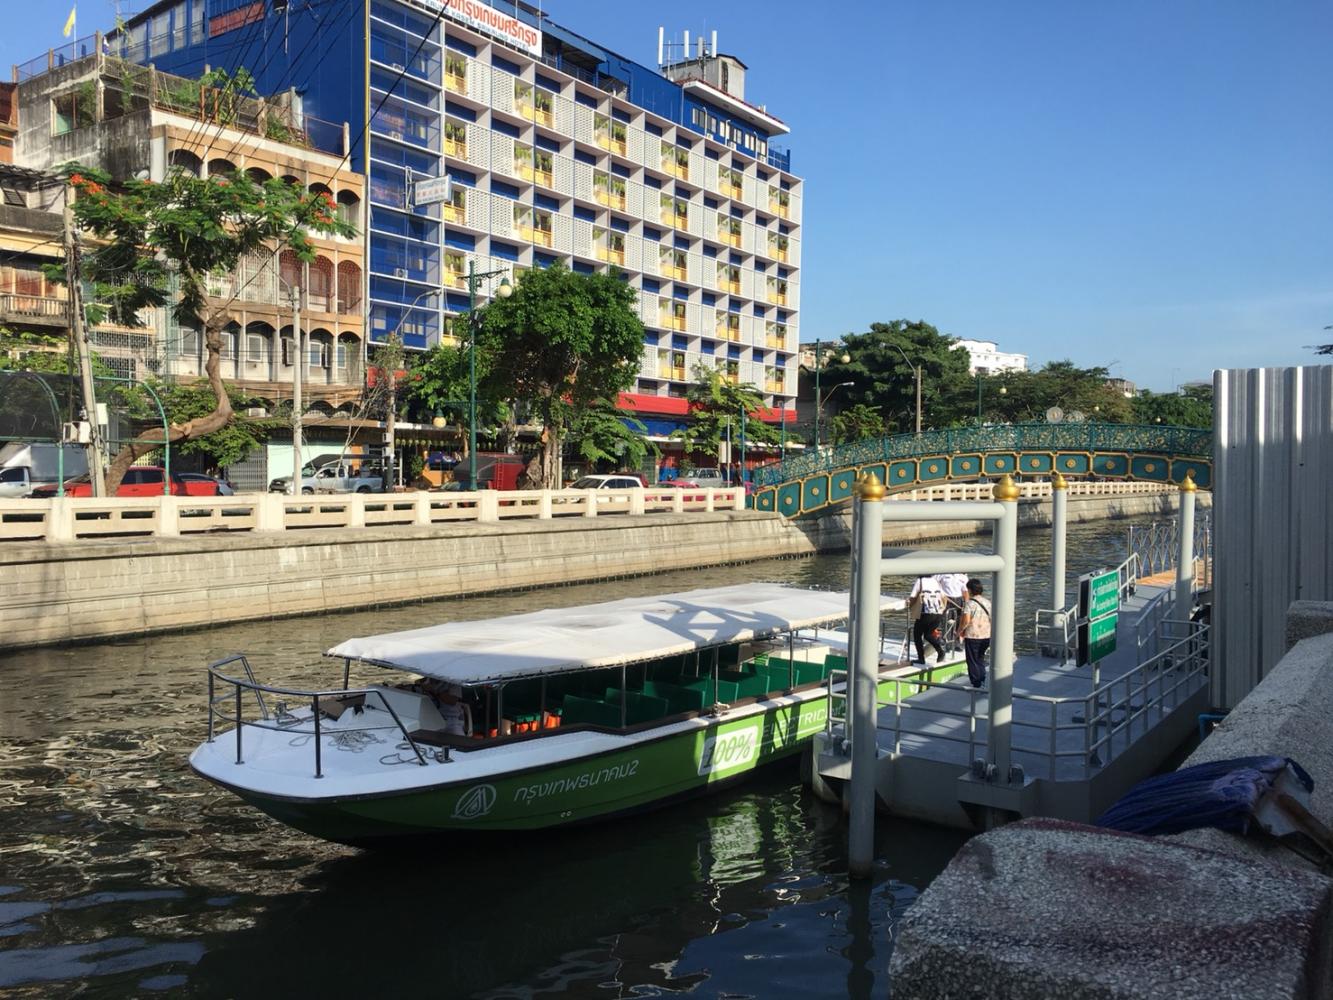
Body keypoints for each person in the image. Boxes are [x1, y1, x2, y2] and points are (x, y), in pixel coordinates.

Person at [959, 578, 993, 689]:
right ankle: (982, 680)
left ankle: (976, 683)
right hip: (986, 635)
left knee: (972, 660)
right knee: (980, 658)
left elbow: (966, 621)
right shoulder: (988, 602)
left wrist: (959, 631)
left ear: (970, 590)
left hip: (972, 635)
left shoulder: (970, 604)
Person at [909, 575, 948, 664]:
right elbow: (944, 597)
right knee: (928, 634)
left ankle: (921, 658)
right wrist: (942, 609)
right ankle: (940, 651)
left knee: (917, 635)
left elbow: (913, 597)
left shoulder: (920, 581)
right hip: (938, 613)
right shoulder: (935, 581)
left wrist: (910, 606)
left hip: (926, 613)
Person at [936, 572, 969, 651]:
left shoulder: (963, 576)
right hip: (946, 599)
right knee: (946, 621)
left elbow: (965, 591)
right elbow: (934, 582)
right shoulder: (943, 574)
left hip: (959, 599)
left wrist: (967, 604)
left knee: (958, 622)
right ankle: (947, 643)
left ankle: (956, 643)